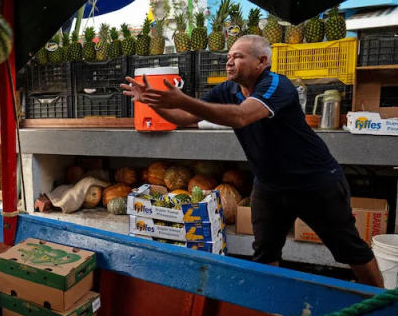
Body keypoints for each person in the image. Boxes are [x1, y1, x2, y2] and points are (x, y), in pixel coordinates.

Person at [121, 34, 382, 287]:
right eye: (229, 56)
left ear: (262, 61)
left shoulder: (277, 85)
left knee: (350, 249)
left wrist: (185, 100)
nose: (229, 61)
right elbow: (181, 118)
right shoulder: (228, 89)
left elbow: (240, 117)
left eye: (238, 56)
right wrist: (150, 103)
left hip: (314, 182)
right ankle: (268, 309)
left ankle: (383, 304)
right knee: (265, 252)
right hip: (269, 186)